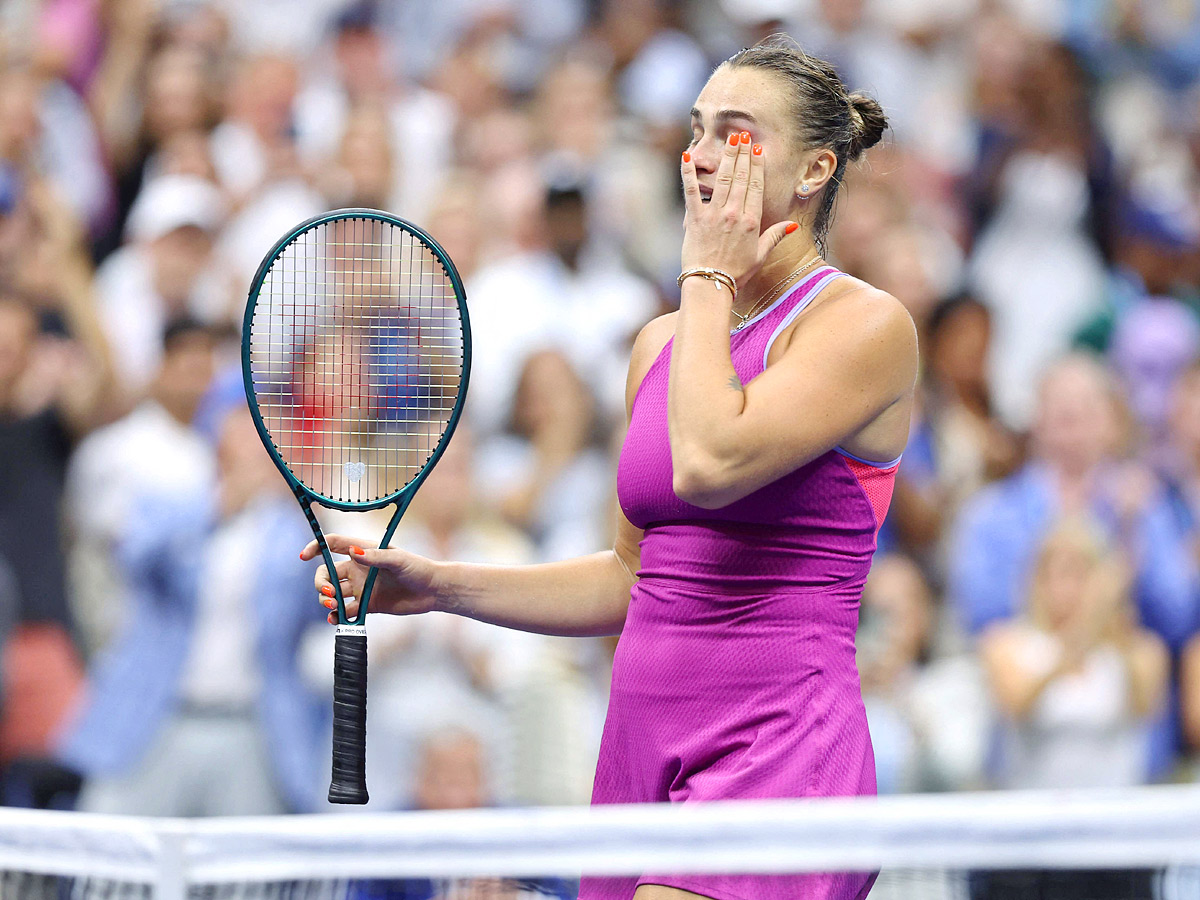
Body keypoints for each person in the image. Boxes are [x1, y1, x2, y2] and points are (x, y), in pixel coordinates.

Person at [303, 37, 915, 900]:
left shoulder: (864, 326)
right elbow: (633, 579)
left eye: (734, 136)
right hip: (639, 749)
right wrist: (440, 585)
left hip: (778, 743)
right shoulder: (661, 345)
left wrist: (706, 267)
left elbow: (710, 462)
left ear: (813, 170)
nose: (699, 156)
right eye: (696, 131)